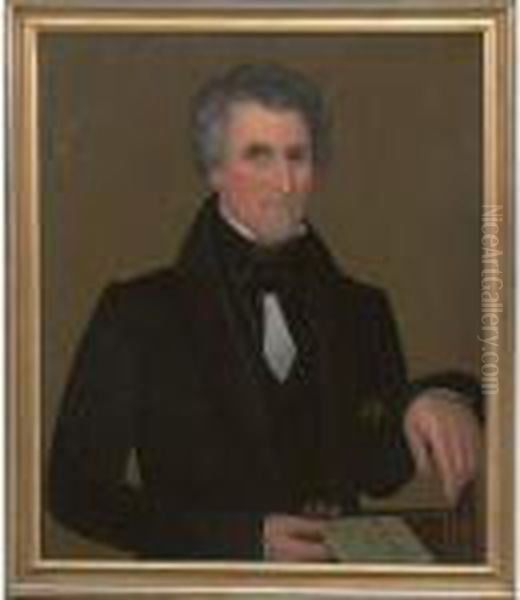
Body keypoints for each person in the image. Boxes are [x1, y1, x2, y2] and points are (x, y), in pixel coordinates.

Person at [48, 63, 482, 561]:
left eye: (297, 156)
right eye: (258, 156)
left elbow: (378, 473)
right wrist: (244, 539)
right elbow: (75, 493)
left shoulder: (362, 308)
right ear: (214, 170)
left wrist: (432, 398)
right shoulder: (137, 314)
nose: (284, 182)